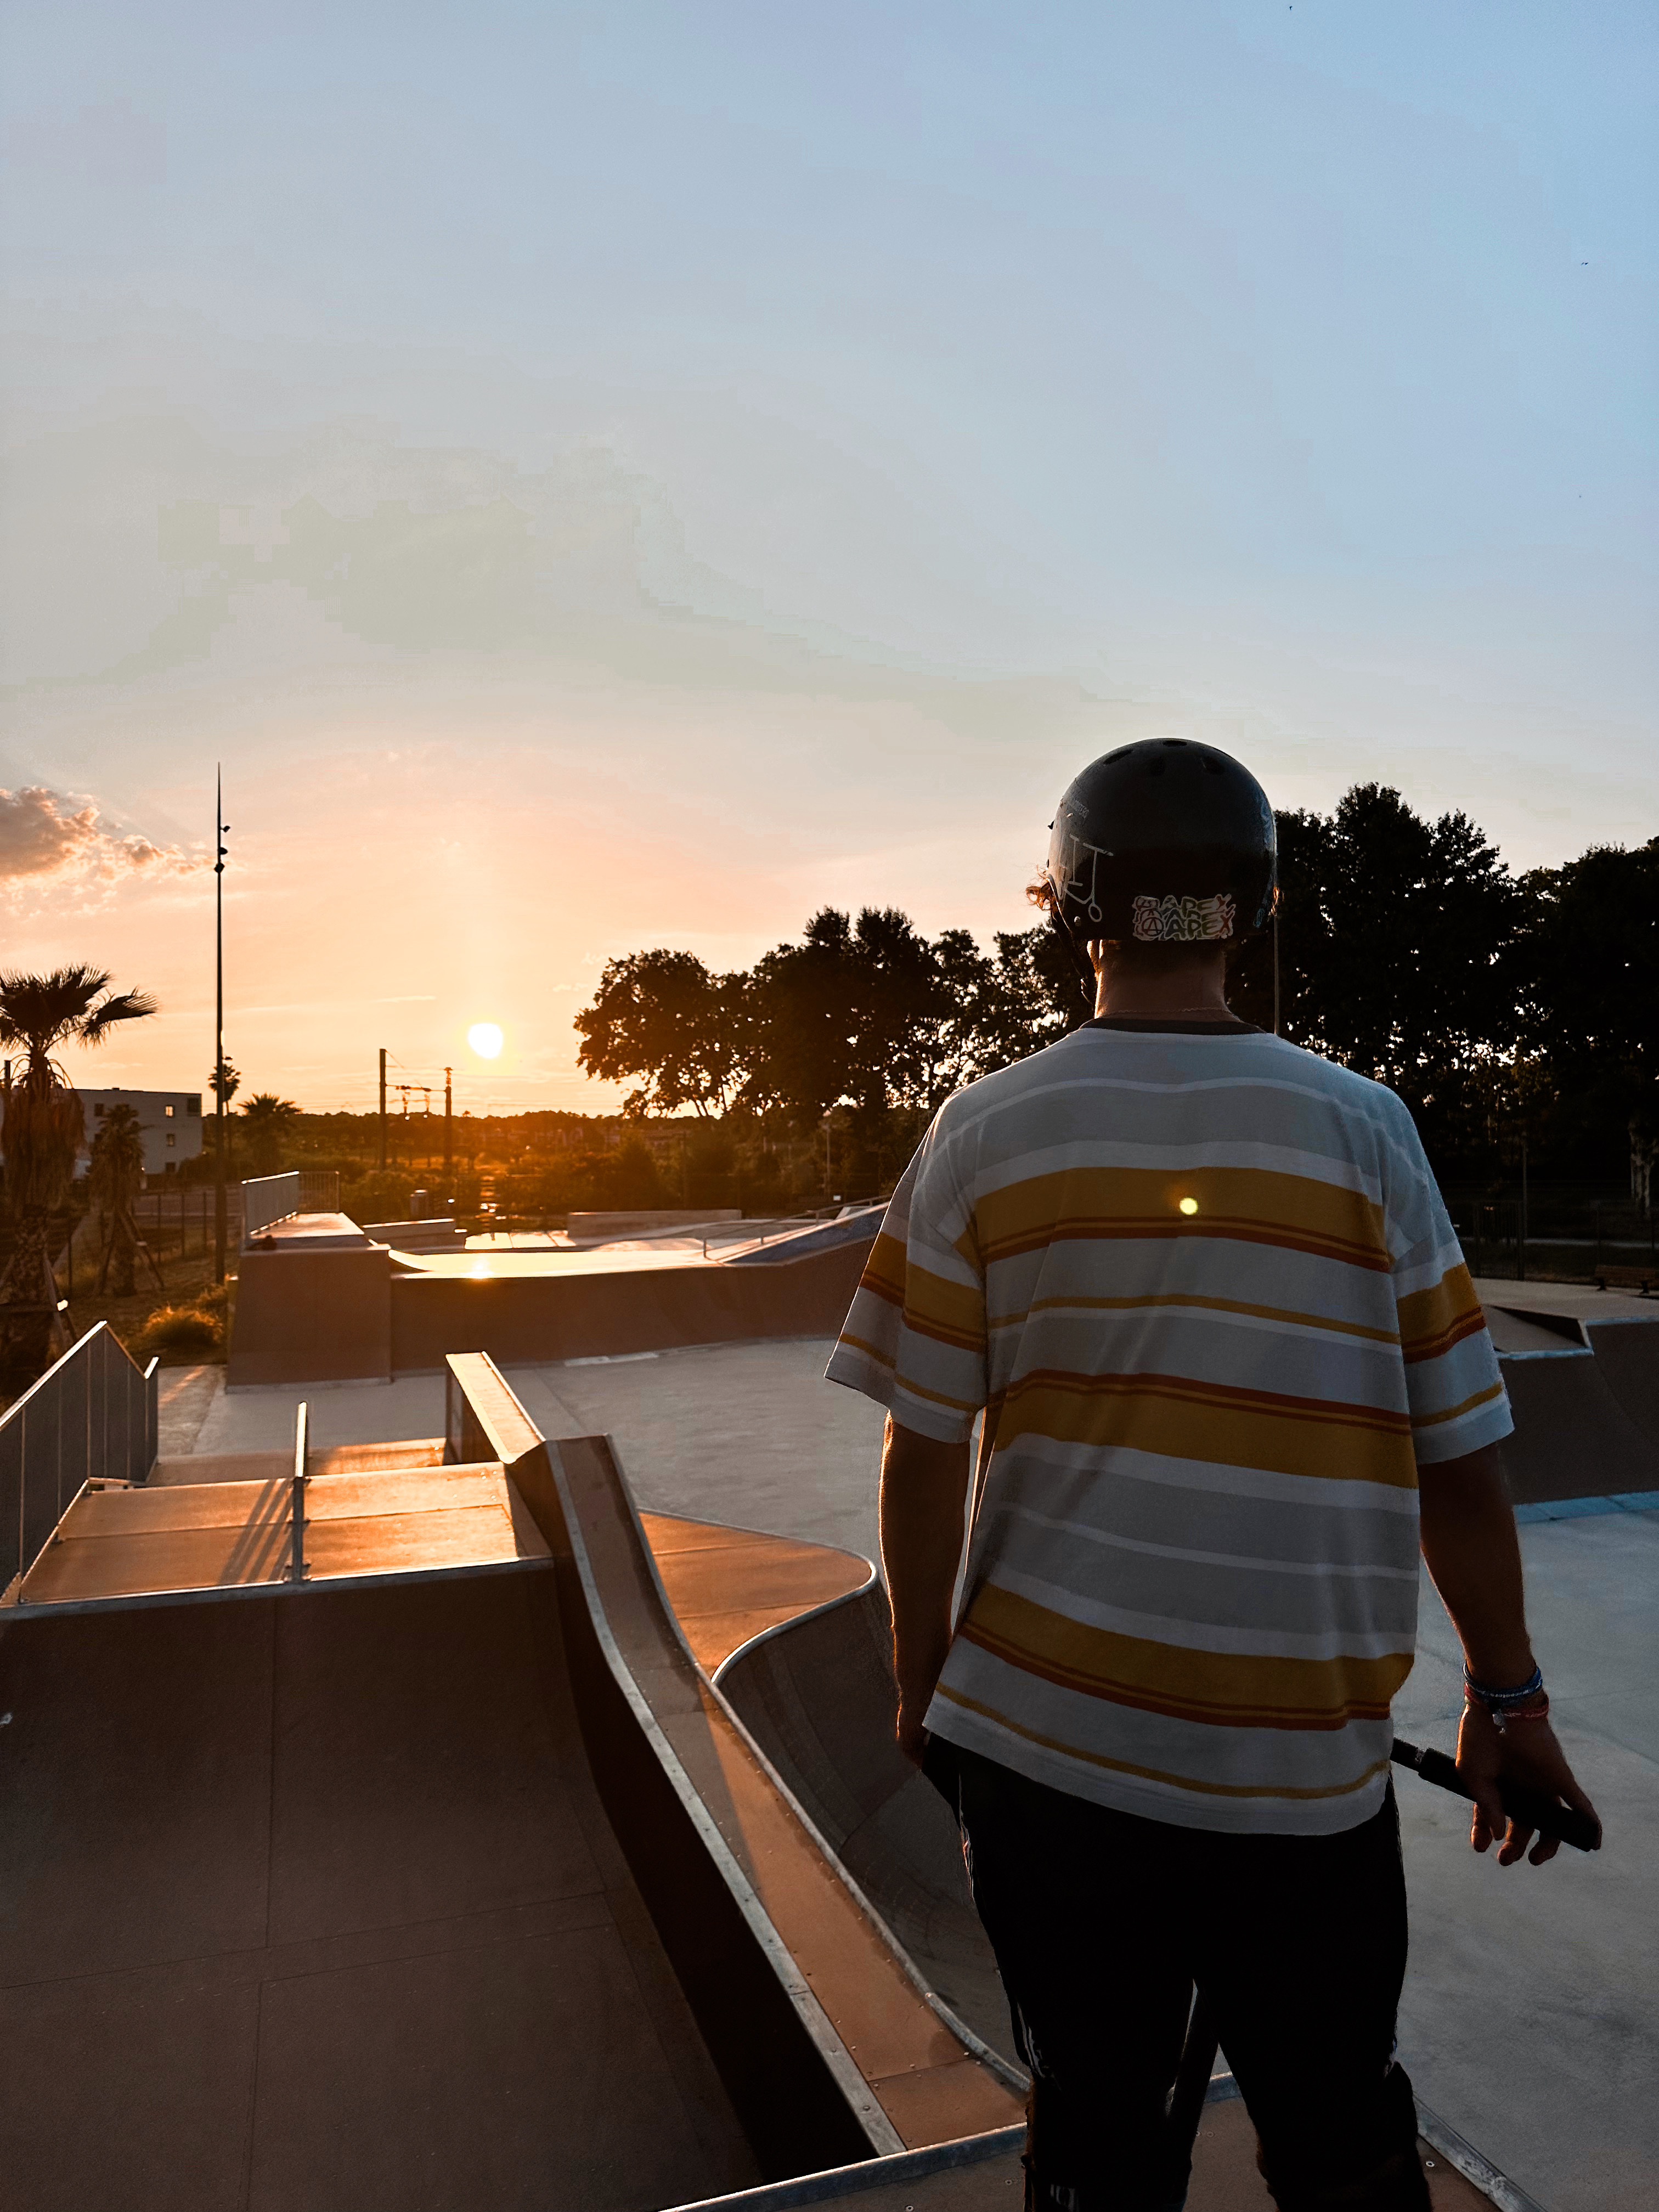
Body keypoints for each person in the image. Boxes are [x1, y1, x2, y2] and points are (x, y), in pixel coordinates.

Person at [826, 739, 1599, 2212]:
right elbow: (1463, 1466)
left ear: (1075, 914)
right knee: (1338, 2141)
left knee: (1099, 2139)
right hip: (1299, 1787)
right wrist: (1509, 1697)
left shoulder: (982, 1131)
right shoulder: (1368, 1132)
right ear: (1254, 912)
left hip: (1047, 1770)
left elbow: (921, 1449)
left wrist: (922, 1684)